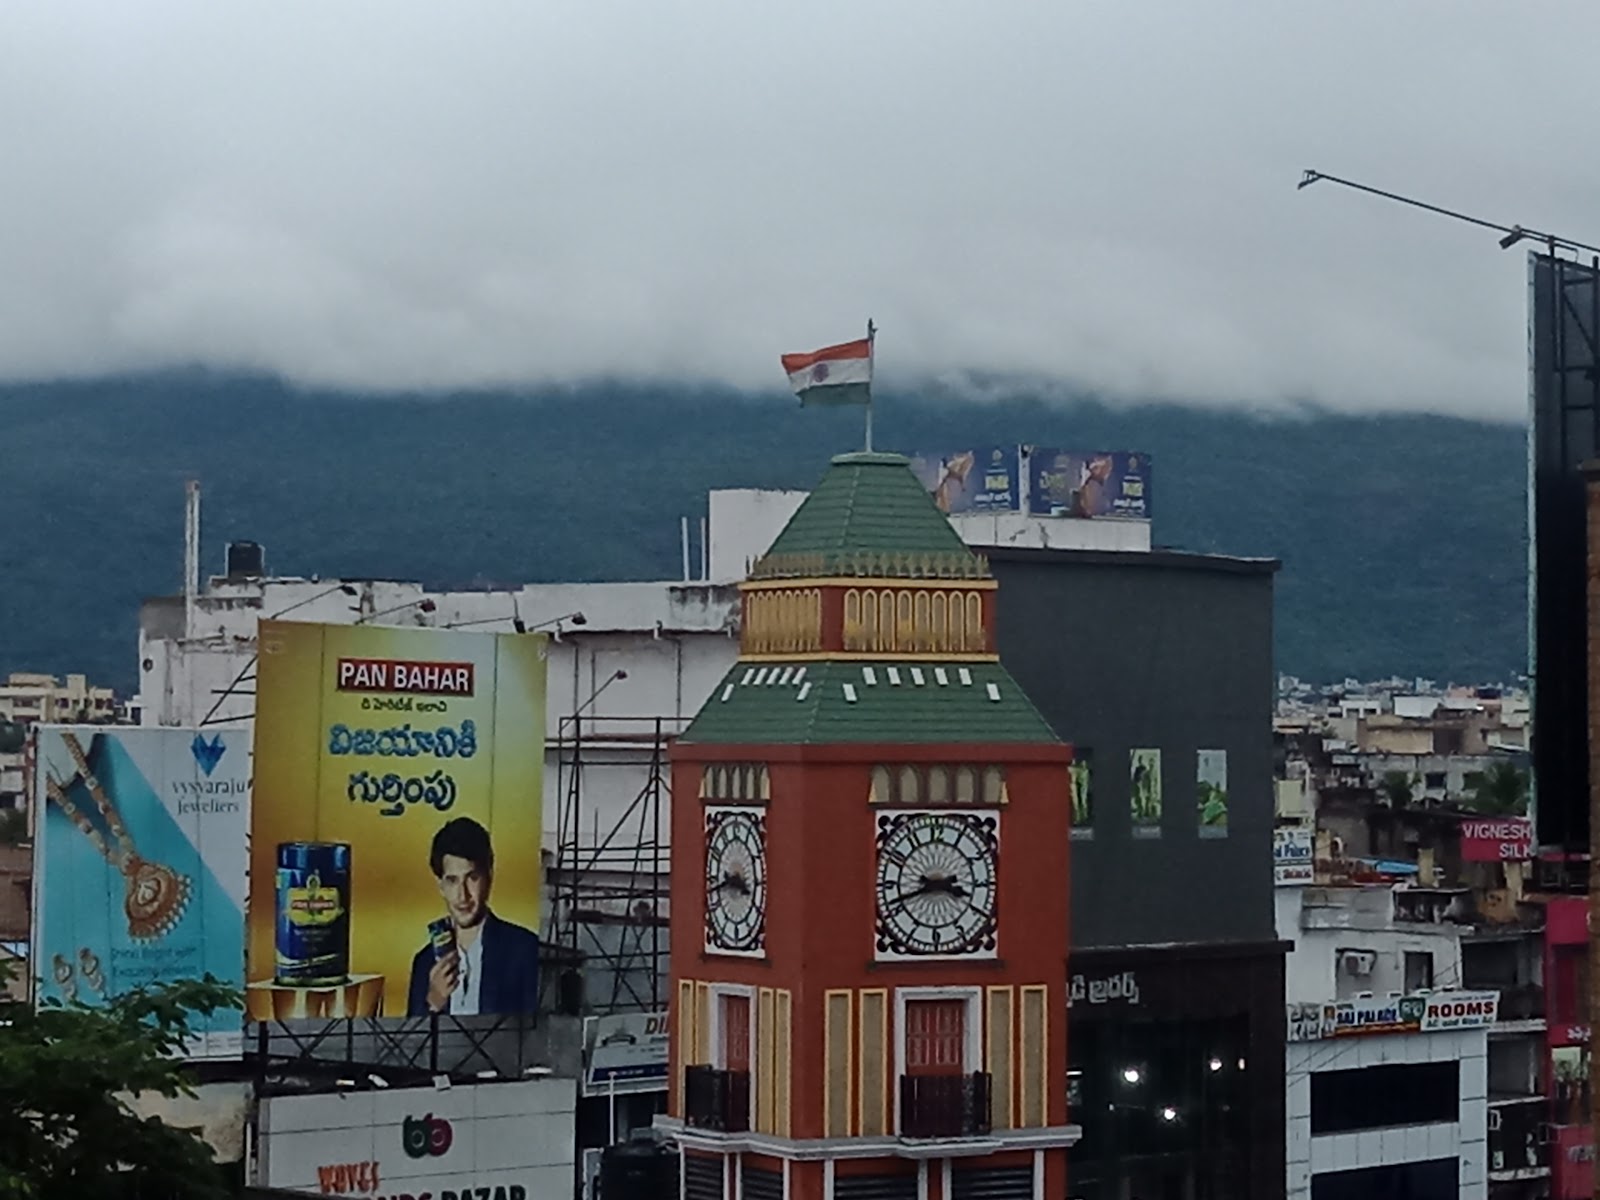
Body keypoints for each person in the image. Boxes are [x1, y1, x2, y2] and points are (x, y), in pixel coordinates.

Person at [407, 817, 540, 1016]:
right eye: (452, 880)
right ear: (441, 886)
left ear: (489, 876)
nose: (463, 895)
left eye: (472, 878)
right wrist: (432, 1003)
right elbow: (412, 1034)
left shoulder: (524, 950)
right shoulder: (424, 962)